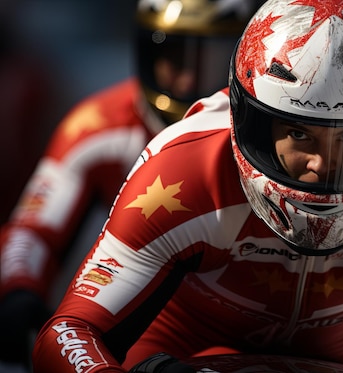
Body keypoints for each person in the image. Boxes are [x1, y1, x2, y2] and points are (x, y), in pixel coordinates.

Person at [32, 0, 343, 372]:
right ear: (242, 118)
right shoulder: (182, 173)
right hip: (174, 362)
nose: (321, 167)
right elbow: (69, 333)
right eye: (297, 132)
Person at [0, 0, 261, 371]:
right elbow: (36, 229)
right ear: (145, 51)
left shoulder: (275, 142)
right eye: (173, 57)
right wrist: (19, 291)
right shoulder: (96, 126)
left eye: (212, 61)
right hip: (127, 335)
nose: (188, 81)